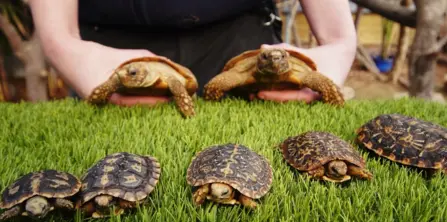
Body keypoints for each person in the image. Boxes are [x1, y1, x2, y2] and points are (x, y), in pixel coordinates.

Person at [28, 0, 356, 106]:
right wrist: (63, 44)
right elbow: (59, 38)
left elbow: (334, 46)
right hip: (104, 48)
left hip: (243, 36)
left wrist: (339, 44)